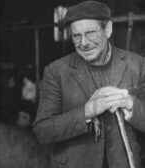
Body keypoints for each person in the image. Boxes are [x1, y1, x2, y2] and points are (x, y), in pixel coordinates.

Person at [33, 1, 145, 168]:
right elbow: (43, 131)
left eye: (90, 33)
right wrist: (87, 111)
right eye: (76, 36)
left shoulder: (137, 64)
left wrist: (132, 105)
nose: (83, 43)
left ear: (108, 29)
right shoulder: (56, 72)